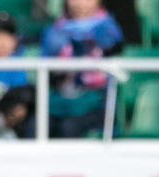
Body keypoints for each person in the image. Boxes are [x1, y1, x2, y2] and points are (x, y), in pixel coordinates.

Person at [41, 0, 123, 138]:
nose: (80, 4)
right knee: (37, 124)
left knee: (68, 127)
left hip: (98, 103)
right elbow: (48, 72)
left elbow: (114, 49)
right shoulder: (54, 31)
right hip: (63, 101)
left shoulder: (109, 29)